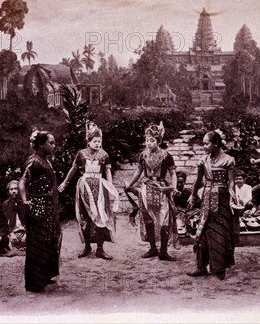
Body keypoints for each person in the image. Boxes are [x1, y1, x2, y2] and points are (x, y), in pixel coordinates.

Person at [58, 122, 119, 260]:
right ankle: (86, 247)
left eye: (99, 141)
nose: (97, 144)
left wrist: (110, 187)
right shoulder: (81, 154)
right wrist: (65, 183)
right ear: (88, 141)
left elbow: (108, 172)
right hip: (85, 187)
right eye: (95, 141)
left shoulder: (104, 155)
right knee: (86, 217)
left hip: (100, 187)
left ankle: (100, 248)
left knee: (101, 216)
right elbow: (73, 169)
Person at [187, 130, 236, 280]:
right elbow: (197, 180)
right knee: (202, 230)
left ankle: (219, 268)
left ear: (216, 144)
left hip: (221, 199)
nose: (204, 146)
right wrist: (193, 195)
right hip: (207, 197)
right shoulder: (203, 160)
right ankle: (201, 266)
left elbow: (231, 181)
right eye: (203, 143)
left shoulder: (228, 160)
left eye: (206, 143)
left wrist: (233, 197)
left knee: (219, 231)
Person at [125, 122, 177, 261]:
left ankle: (164, 251)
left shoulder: (166, 155)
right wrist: (130, 184)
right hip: (146, 187)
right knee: (147, 218)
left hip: (161, 188)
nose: (148, 143)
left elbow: (173, 173)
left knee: (164, 218)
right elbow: (138, 171)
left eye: (152, 140)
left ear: (159, 141)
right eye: (147, 140)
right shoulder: (143, 155)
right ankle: (153, 248)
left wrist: (173, 187)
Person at [19, 130, 62, 292]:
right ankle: (34, 283)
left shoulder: (45, 160)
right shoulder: (33, 162)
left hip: (48, 207)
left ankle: (45, 275)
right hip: (37, 207)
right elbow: (22, 181)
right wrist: (24, 200)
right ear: (41, 144)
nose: (54, 146)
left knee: (48, 240)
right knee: (37, 242)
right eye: (51, 143)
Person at [2, 180, 27, 250]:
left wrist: (26, 234)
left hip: (25, 233)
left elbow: (31, 222)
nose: (13, 191)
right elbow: (4, 223)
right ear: (8, 191)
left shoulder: (25, 203)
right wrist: (10, 233)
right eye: (11, 189)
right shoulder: (5, 204)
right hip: (12, 234)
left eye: (16, 189)